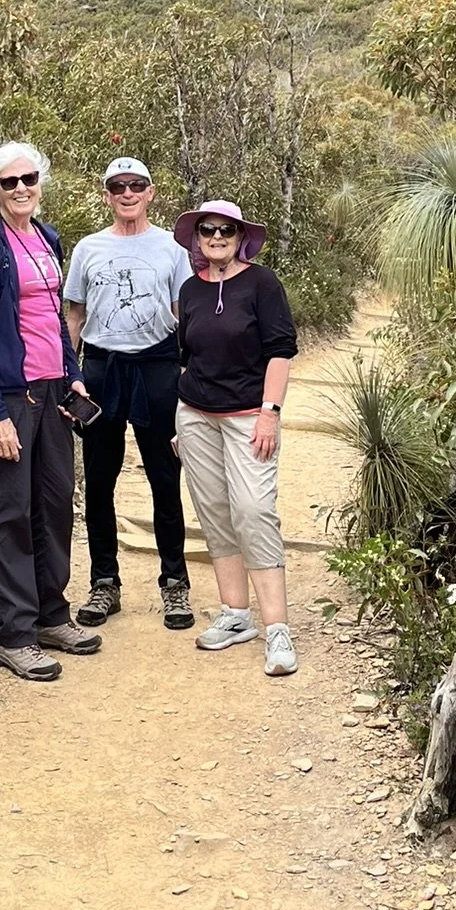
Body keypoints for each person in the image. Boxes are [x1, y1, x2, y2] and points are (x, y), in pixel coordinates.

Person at [0, 142, 102, 682]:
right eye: (9, 182)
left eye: (28, 179)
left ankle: (49, 615)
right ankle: (11, 634)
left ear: (41, 182)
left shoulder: (46, 238)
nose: (21, 189)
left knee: (54, 503)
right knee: (8, 511)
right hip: (11, 399)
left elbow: (55, 320)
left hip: (51, 393)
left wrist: (74, 374)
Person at [64, 156, 195, 633]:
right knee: (99, 479)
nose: (127, 193)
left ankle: (175, 585)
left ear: (150, 192)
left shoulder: (172, 248)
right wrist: (69, 371)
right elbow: (74, 315)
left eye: (136, 185)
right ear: (106, 195)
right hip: (101, 368)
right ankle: (104, 583)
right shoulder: (88, 249)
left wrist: (188, 370)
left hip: (158, 364)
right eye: (117, 186)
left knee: (165, 475)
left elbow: (187, 313)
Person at [172, 199, 300, 677]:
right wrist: (179, 422)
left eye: (227, 230)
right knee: (216, 512)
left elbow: (280, 352)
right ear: (197, 237)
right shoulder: (189, 290)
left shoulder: (262, 284)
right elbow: (185, 359)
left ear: (240, 235)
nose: (218, 237)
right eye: (208, 230)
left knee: (253, 511)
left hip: (250, 416)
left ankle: (277, 629)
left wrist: (270, 414)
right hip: (195, 416)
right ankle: (235, 615)